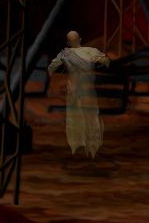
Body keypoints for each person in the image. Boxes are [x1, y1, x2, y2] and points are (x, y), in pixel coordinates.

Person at [47, 30, 110, 159]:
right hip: (87, 90)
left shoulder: (65, 53)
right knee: (90, 118)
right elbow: (106, 62)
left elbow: (51, 67)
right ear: (80, 40)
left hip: (75, 90)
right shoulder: (91, 51)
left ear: (68, 42)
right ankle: (90, 149)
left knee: (76, 119)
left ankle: (79, 147)